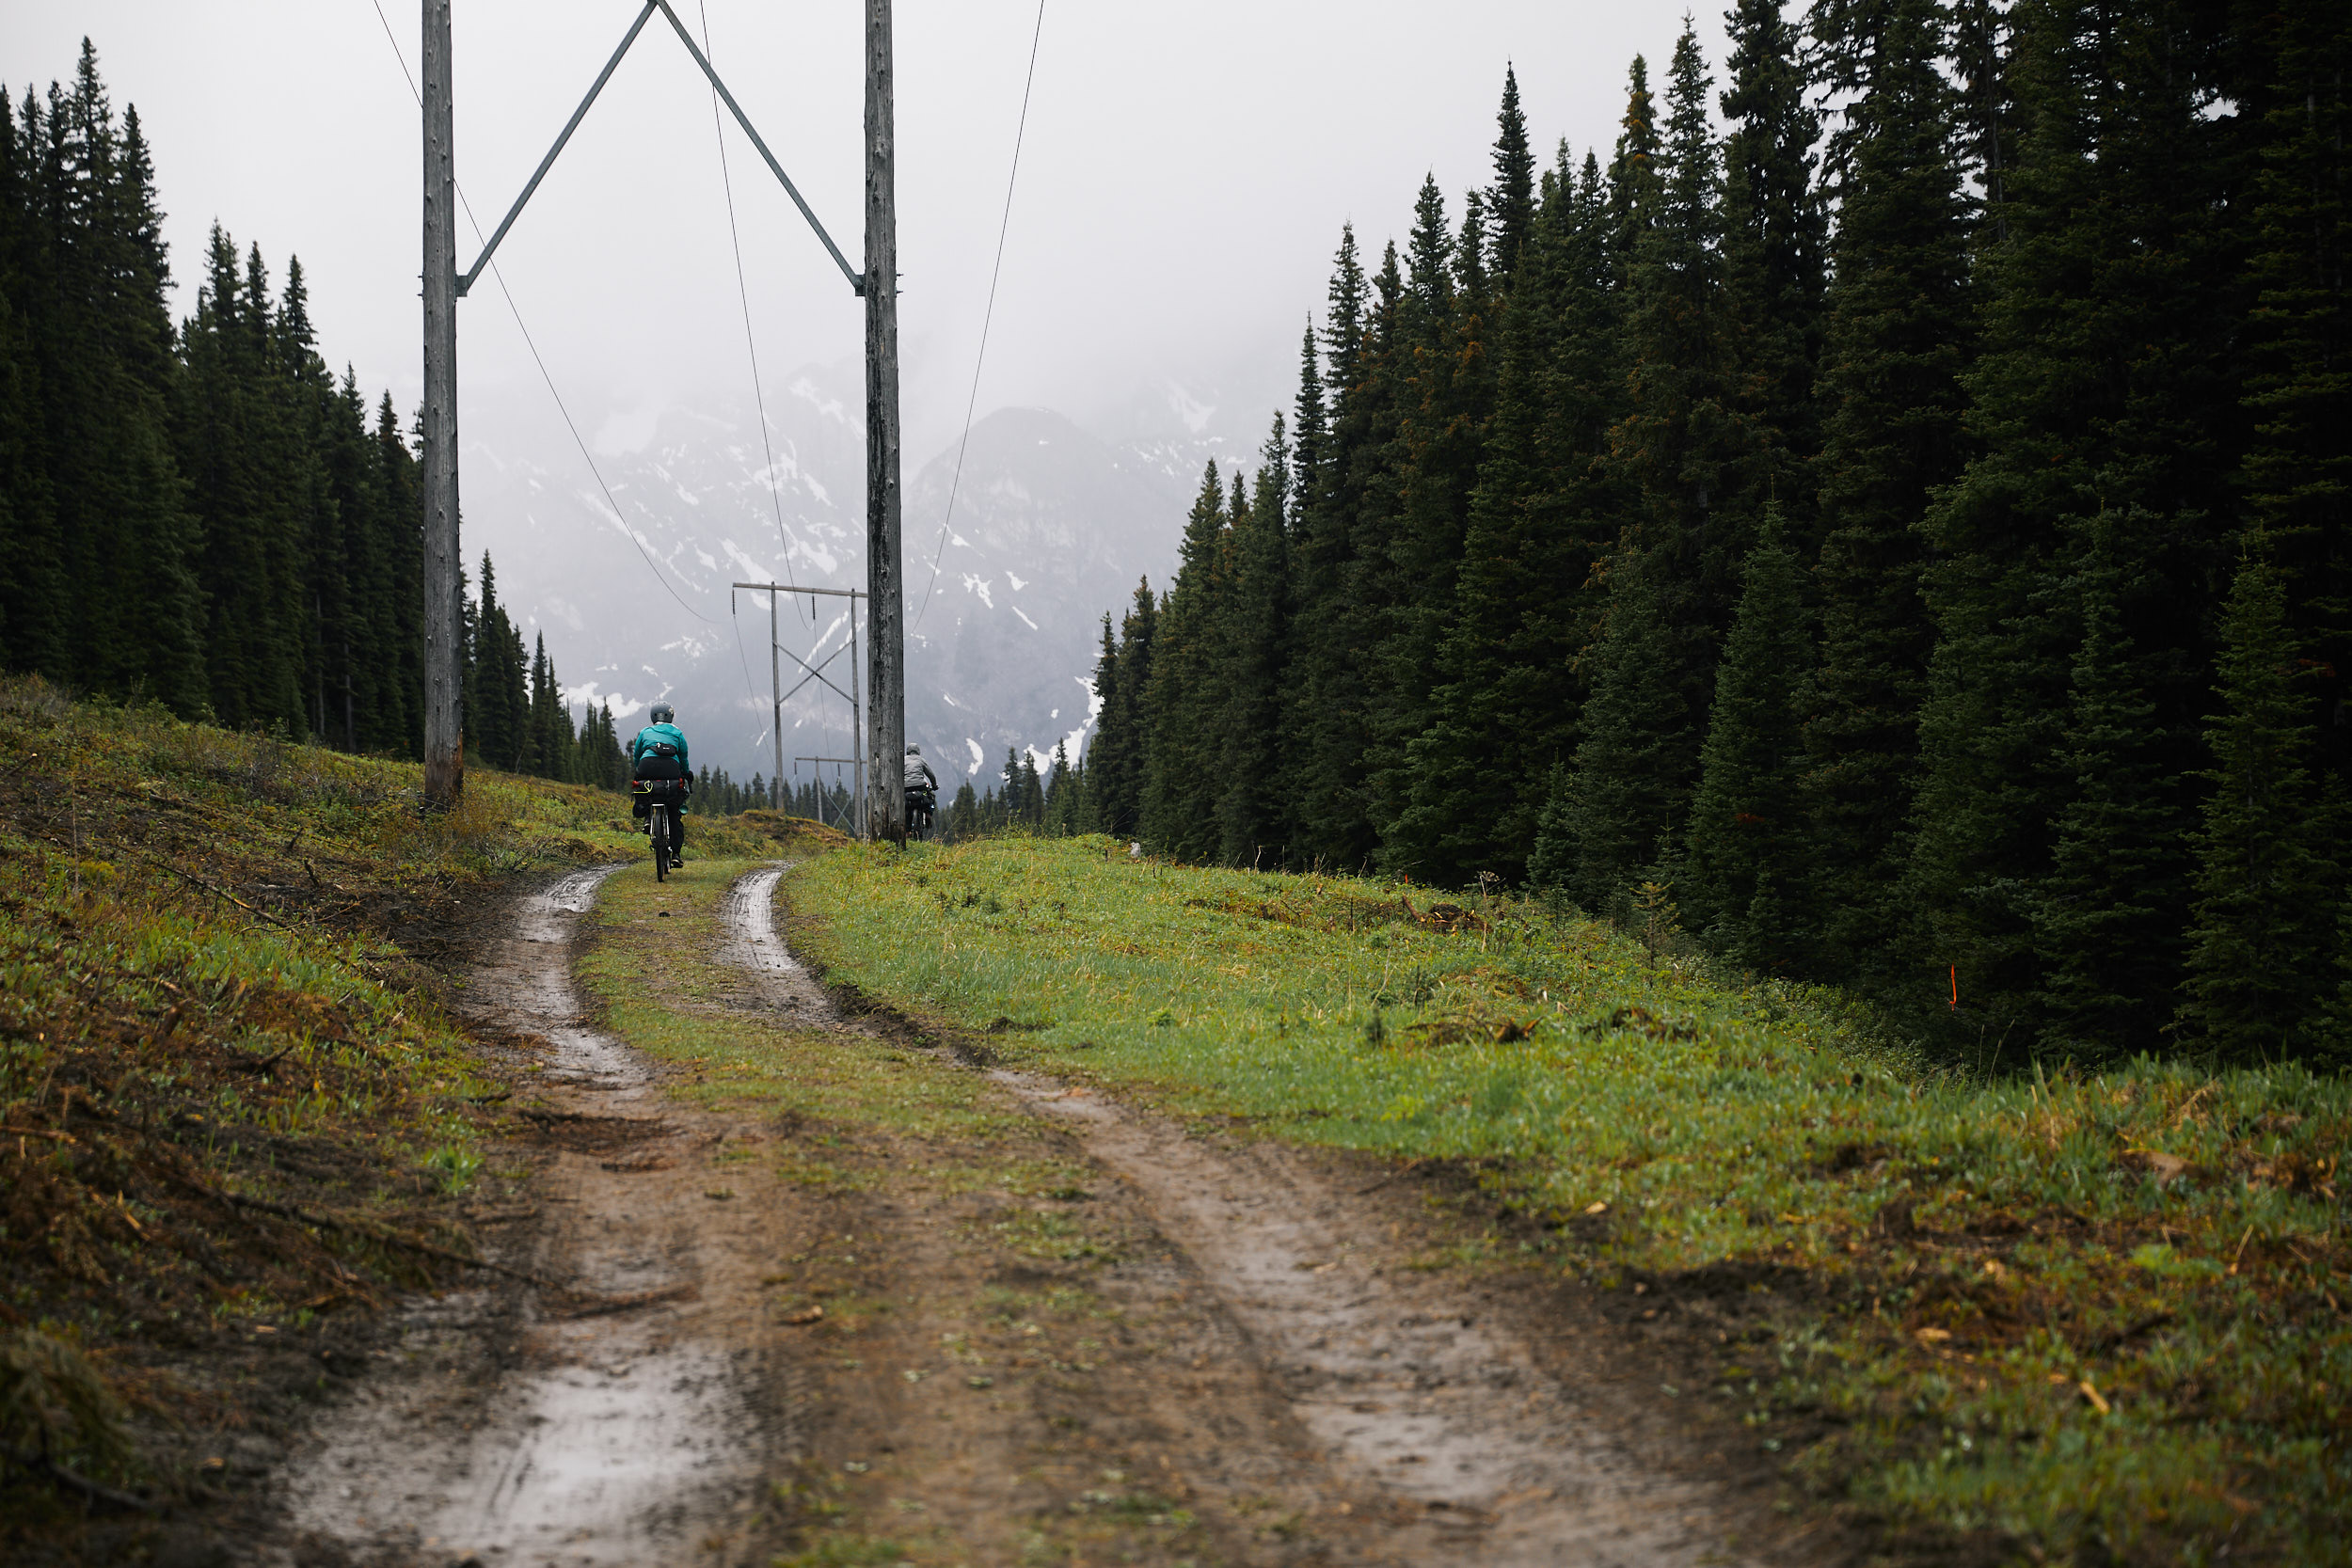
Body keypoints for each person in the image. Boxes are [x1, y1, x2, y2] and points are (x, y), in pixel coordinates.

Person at [628, 703, 691, 868]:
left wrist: (639, 770)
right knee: (674, 812)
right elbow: (683, 758)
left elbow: (637, 754)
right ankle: (676, 853)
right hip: (671, 771)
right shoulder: (677, 733)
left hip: (646, 766)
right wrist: (685, 774)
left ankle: (649, 819)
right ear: (671, 716)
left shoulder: (645, 732)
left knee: (647, 791)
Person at [903, 744, 938, 835]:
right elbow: (931, 775)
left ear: (908, 751)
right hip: (920, 786)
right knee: (930, 797)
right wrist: (934, 785)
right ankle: (928, 814)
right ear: (918, 751)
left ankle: (907, 832)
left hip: (906, 788)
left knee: (905, 808)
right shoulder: (921, 760)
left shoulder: (903, 760)